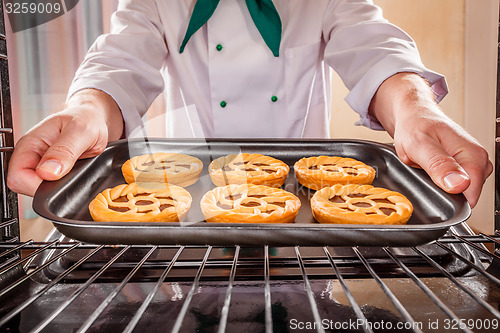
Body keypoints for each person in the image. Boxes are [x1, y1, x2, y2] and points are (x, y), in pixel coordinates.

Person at [7, 0, 492, 208]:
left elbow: (375, 48)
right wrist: (86, 111)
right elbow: (119, 62)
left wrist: (415, 108)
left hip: (306, 205)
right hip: (193, 206)